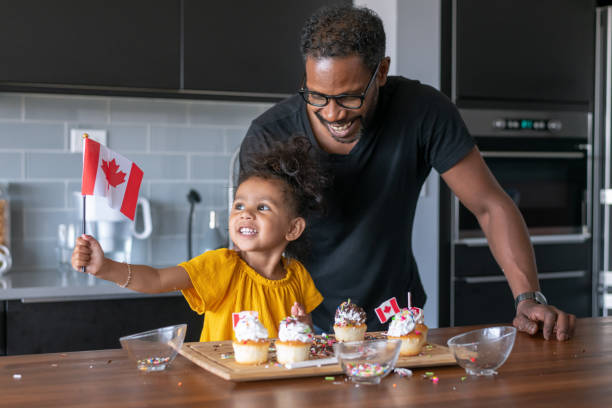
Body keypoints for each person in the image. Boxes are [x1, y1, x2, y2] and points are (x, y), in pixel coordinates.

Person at [239, 4, 576, 340]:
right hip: (296, 323)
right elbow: (252, 242)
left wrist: (528, 298)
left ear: (381, 72)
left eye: (349, 97)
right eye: (317, 96)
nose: (332, 113)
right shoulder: (270, 134)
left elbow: (490, 205)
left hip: (395, 322)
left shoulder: (422, 112)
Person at [72, 136, 326, 342]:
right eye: (239, 205)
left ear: (293, 229)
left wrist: (303, 327)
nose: (245, 214)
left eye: (262, 208)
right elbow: (157, 279)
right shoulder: (220, 266)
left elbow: (306, 329)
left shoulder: (298, 275)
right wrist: (106, 268)